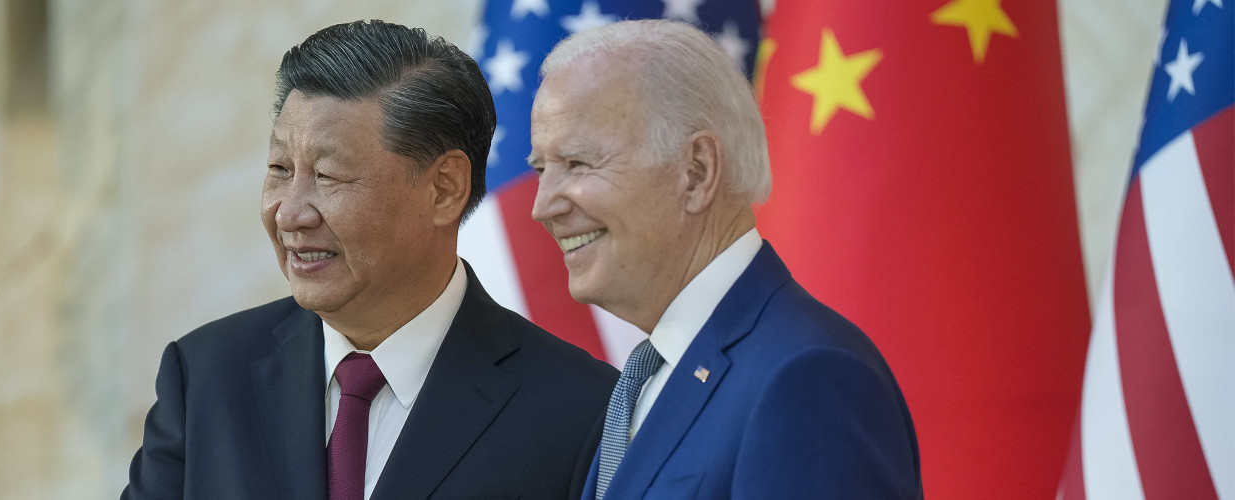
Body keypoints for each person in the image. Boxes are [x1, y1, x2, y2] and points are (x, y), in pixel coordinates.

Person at [123, 20, 617, 500]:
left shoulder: (579, 408)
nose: (289, 213)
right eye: (279, 169)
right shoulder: (206, 375)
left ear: (444, 189)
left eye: (328, 175)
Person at [528, 20, 922, 499]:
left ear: (696, 172)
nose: (541, 206)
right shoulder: (646, 378)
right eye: (541, 169)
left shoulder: (807, 379)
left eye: (576, 163)